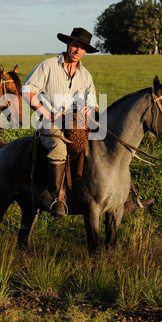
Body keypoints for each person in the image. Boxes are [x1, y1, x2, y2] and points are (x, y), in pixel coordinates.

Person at [21, 27, 99, 218]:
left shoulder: (85, 75)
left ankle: (101, 193)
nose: (78, 50)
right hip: (51, 121)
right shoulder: (48, 66)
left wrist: (90, 110)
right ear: (68, 45)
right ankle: (58, 197)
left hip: (77, 123)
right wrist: (45, 113)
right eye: (75, 45)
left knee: (100, 147)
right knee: (59, 147)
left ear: (85, 51)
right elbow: (26, 90)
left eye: (82, 48)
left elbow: (94, 106)